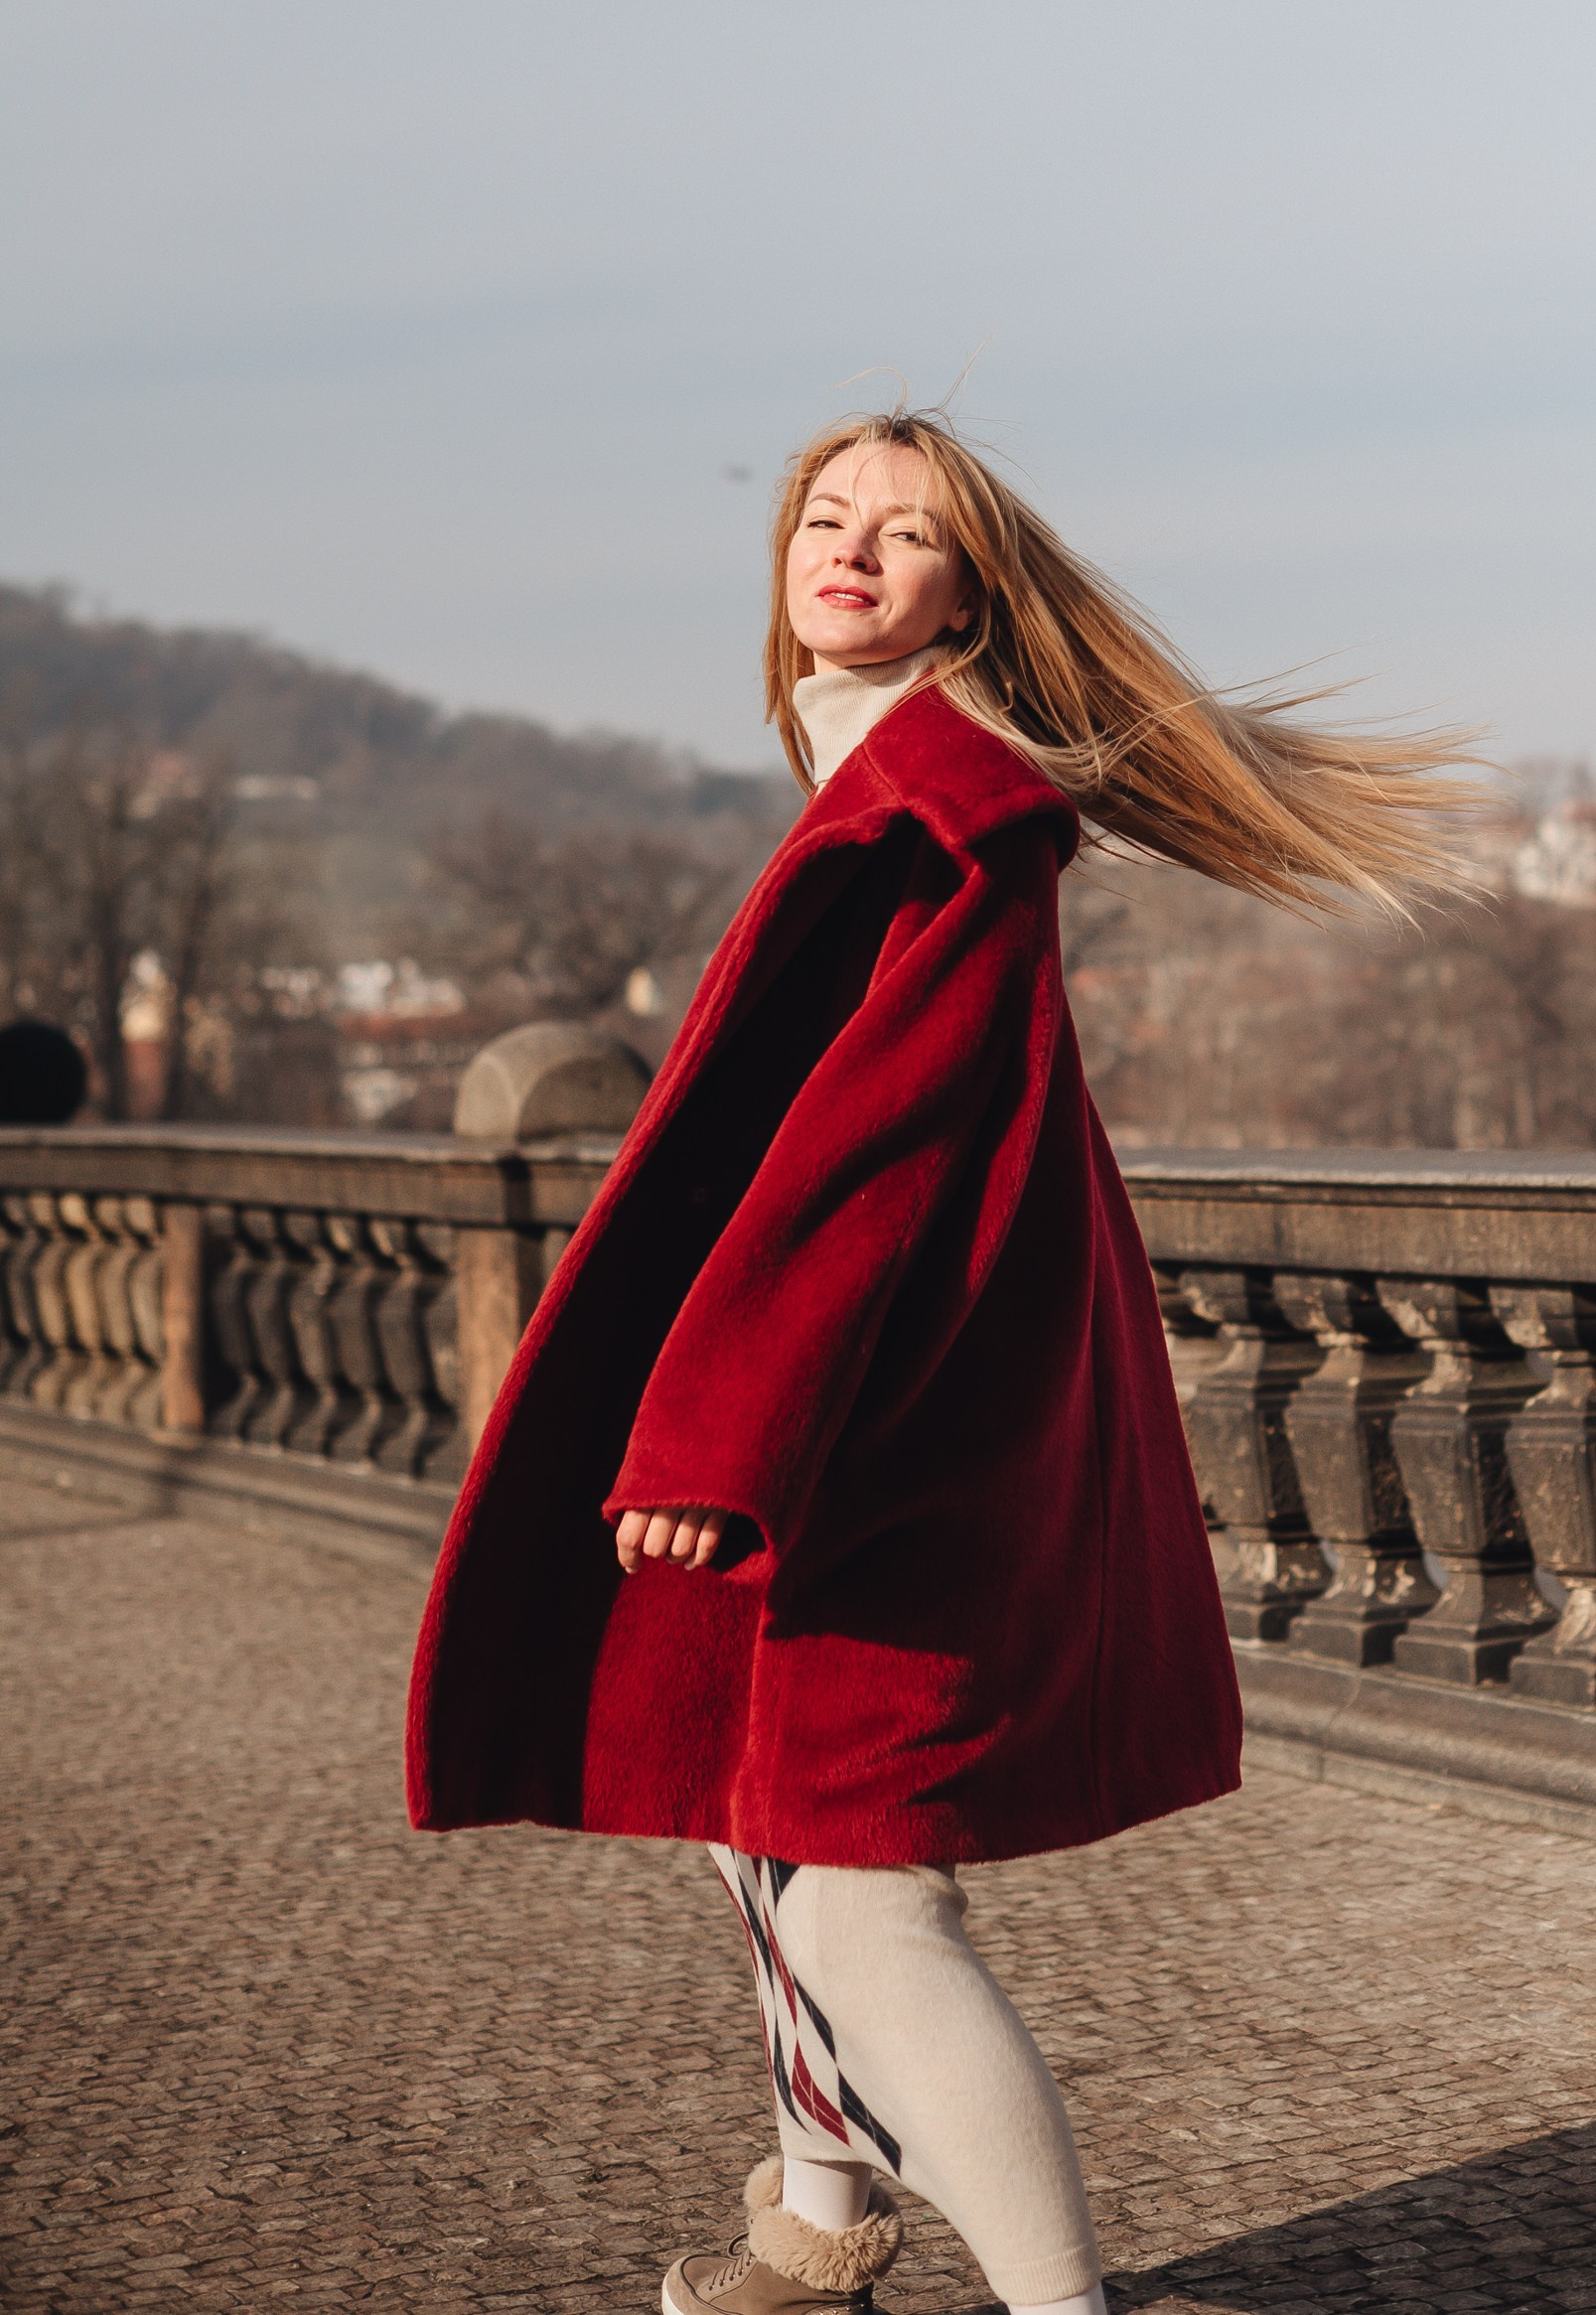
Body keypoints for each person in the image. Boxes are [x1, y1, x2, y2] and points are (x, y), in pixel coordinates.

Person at [406, 409, 1476, 2315]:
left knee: (856, 1889)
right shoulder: (891, 790)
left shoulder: (942, 818)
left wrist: (719, 1434)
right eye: (827, 518)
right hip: (887, 1408)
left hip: (881, 1432)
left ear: (968, 593)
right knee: (765, 1831)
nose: (850, 552)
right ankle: (817, 2241)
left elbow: (868, 1156)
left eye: (905, 534)